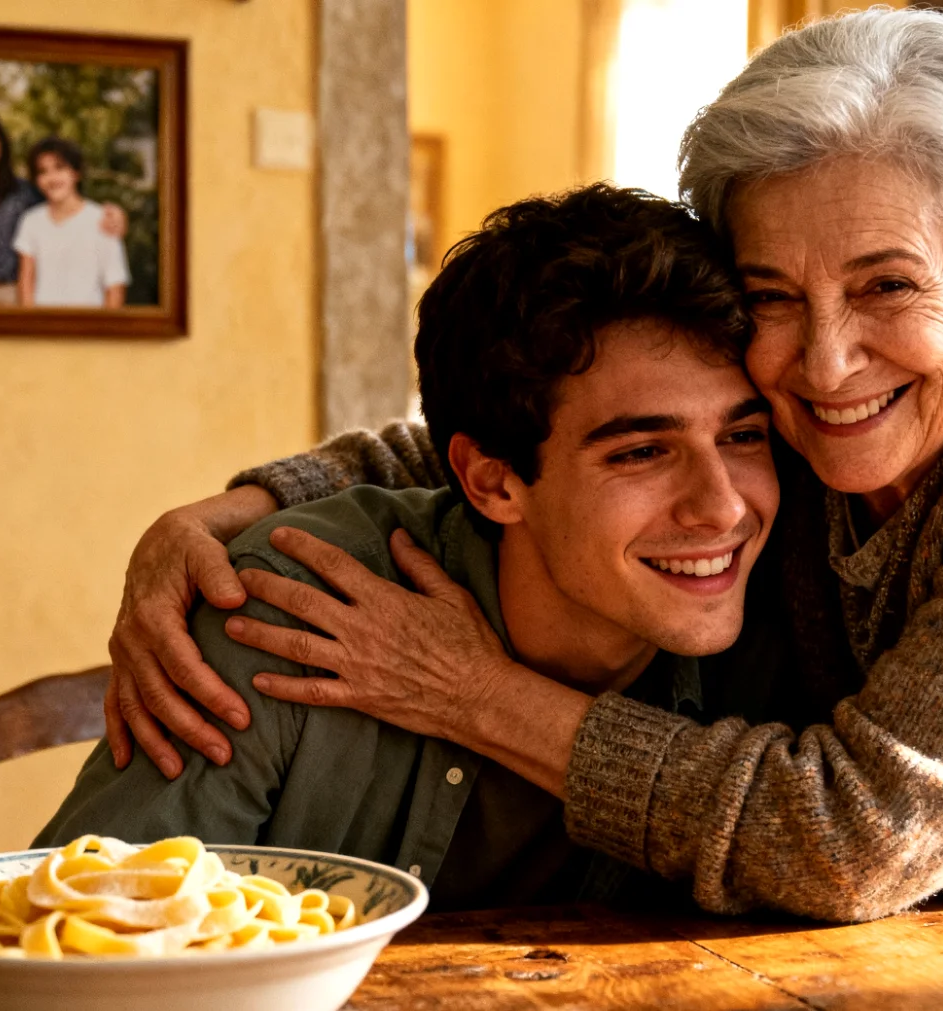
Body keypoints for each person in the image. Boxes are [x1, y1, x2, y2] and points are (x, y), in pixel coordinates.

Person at [99, 9, 943, 995]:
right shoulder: (817, 427)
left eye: (888, 286)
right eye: (774, 297)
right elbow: (526, 419)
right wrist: (235, 506)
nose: (822, 365)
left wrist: (472, 691)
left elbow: (845, 836)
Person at [38, 185, 777, 912]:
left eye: (744, 435)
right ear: (492, 482)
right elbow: (78, 943)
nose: (724, 506)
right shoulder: (292, 604)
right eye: (643, 451)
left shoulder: (786, 618)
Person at [0, 111, 127, 306]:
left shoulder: (23, 191)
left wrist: (114, 215)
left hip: (13, 293)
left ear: (1, 143)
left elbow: (65, 202)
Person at [13, 137, 130, 308]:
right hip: (43, 325)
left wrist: (107, 330)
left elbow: (114, 286)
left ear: (76, 173)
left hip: (90, 327)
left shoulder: (103, 220)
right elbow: (26, 282)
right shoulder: (31, 221)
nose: (52, 178)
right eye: (43, 172)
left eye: (60, 168)